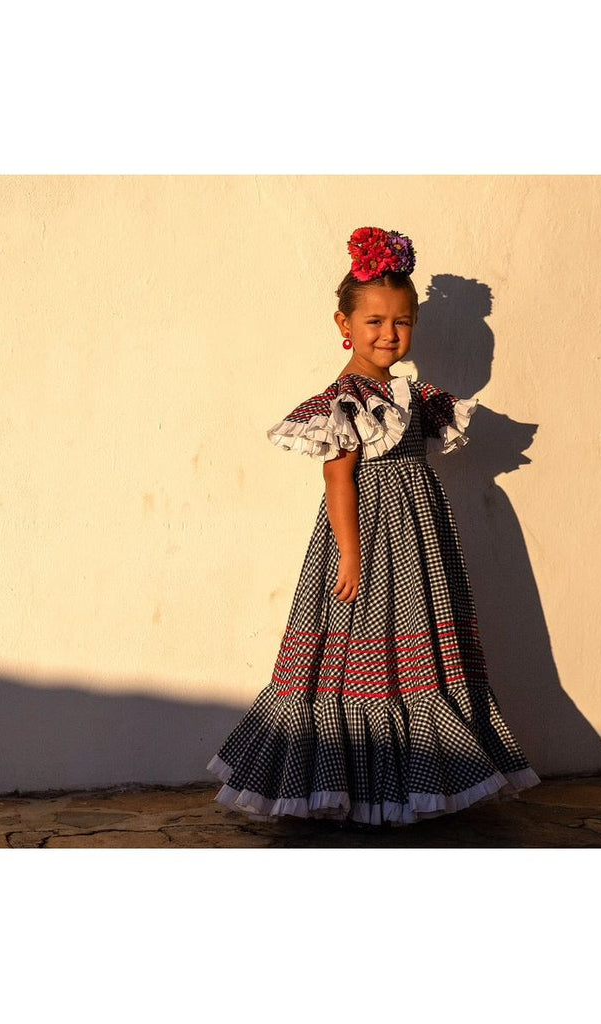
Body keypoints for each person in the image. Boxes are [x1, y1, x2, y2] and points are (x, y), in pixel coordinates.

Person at [206, 226, 541, 827]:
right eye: (374, 322)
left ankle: (413, 782)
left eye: (401, 322)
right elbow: (338, 481)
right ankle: (356, 786)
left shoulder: (412, 394)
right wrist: (351, 555)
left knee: (421, 653)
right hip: (365, 539)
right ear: (344, 326)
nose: (389, 334)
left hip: (418, 542)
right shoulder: (348, 398)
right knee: (358, 660)